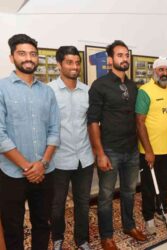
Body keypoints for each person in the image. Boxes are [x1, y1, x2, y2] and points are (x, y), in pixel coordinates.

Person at [0, 34, 60, 249]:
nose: (29, 58)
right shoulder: (2, 88)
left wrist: (42, 164)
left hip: (45, 170)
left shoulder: (47, 92)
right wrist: (28, 167)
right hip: (11, 173)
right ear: (11, 57)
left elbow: (54, 131)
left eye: (33, 54)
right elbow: (0, 135)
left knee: (42, 223)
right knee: (13, 226)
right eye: (22, 53)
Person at [88, 40, 146, 250]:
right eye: (120, 55)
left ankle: (129, 226)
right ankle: (106, 236)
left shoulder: (132, 86)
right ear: (110, 60)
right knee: (105, 196)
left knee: (129, 192)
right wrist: (100, 154)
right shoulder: (99, 85)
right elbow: (93, 121)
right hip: (110, 150)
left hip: (131, 150)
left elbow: (139, 119)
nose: (124, 59)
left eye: (126, 55)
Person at [49, 46, 95, 250]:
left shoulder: (87, 91)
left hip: (84, 158)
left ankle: (82, 240)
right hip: (58, 159)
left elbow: (91, 123)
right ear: (59, 64)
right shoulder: (48, 91)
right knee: (57, 205)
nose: (75, 66)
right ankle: (57, 237)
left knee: (83, 203)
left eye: (77, 62)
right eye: (69, 62)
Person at [136, 57, 167, 235]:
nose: (164, 73)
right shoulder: (145, 91)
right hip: (149, 151)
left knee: (162, 183)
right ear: (155, 72)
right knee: (148, 186)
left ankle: (162, 211)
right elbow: (139, 122)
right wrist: (149, 151)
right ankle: (148, 218)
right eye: (161, 70)